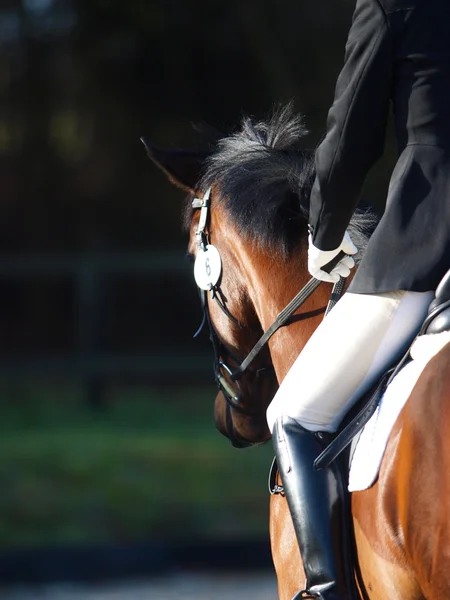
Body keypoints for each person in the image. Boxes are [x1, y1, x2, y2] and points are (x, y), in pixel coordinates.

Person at [266, 0, 450, 598]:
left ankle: (325, 590)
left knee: (293, 413)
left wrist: (323, 232)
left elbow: (350, 139)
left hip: (429, 239)